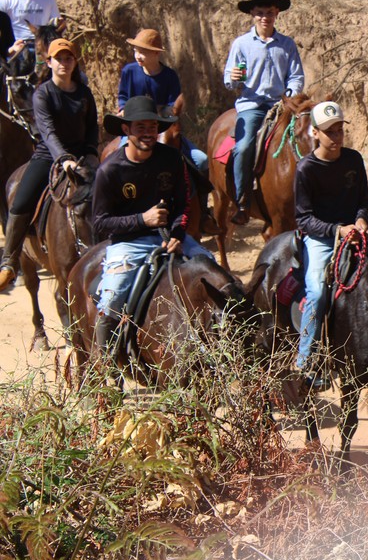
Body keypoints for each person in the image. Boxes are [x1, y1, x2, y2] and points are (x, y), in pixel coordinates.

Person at [90, 96, 213, 353]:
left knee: (213, 270)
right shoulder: (109, 171)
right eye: (140, 127)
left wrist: (178, 233)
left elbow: (184, 204)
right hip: (127, 243)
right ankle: (106, 361)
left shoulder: (172, 158)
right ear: (126, 129)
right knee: (112, 298)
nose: (148, 133)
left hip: (169, 237)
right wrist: (141, 219)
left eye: (152, 127)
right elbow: (100, 223)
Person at [294, 100, 368, 376]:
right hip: (321, 238)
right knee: (317, 292)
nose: (336, 137)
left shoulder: (353, 159)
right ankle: (304, 360)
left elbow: (362, 200)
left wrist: (361, 220)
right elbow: (303, 219)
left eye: (339, 130)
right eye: (329, 132)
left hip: (355, 233)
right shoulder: (306, 169)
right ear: (315, 133)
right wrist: (337, 230)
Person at [0, 38, 97, 291]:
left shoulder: (84, 93)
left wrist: (91, 154)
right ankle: (9, 262)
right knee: (20, 201)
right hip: (48, 156)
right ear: (49, 62)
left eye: (68, 58)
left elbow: (91, 129)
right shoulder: (43, 93)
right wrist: (63, 158)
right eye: (59, 59)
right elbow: (48, 132)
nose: (64, 63)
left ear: (74, 62)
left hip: (82, 157)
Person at [115, 28, 216, 234]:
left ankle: (203, 212)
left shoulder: (169, 76)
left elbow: (173, 105)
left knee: (201, 160)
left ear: (156, 53)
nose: (138, 55)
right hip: (134, 129)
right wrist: (123, 108)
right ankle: (118, 210)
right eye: (136, 51)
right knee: (116, 159)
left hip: (161, 127)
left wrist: (162, 115)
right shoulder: (129, 72)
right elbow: (123, 96)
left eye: (143, 52)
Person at [223, 0, 305, 225]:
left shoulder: (287, 44)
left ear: (276, 13)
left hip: (281, 105)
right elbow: (230, 79)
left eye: (269, 12)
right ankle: (242, 201)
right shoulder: (241, 44)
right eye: (260, 13)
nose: (264, 17)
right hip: (252, 104)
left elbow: (296, 76)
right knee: (244, 146)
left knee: (305, 138)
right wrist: (234, 78)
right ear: (252, 14)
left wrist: (289, 96)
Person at [0, 0, 60, 76]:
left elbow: (55, 22)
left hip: (43, 47)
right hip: (17, 47)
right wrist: (9, 49)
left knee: (79, 77)